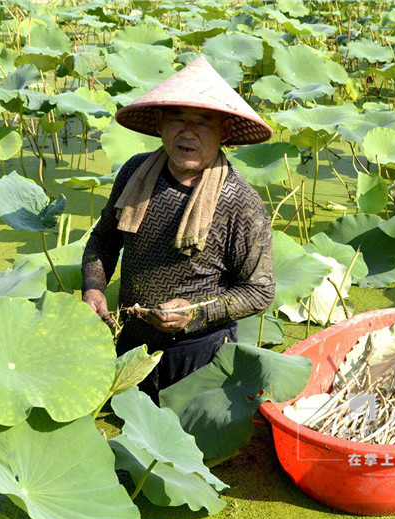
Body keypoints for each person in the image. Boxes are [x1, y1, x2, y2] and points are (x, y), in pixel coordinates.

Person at [81, 56, 275, 403]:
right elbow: (104, 239)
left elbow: (260, 291)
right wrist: (94, 287)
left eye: (204, 122)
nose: (189, 132)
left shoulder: (239, 201)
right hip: (132, 346)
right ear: (159, 123)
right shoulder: (134, 173)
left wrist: (196, 312)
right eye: (178, 119)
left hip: (200, 355)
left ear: (225, 131)